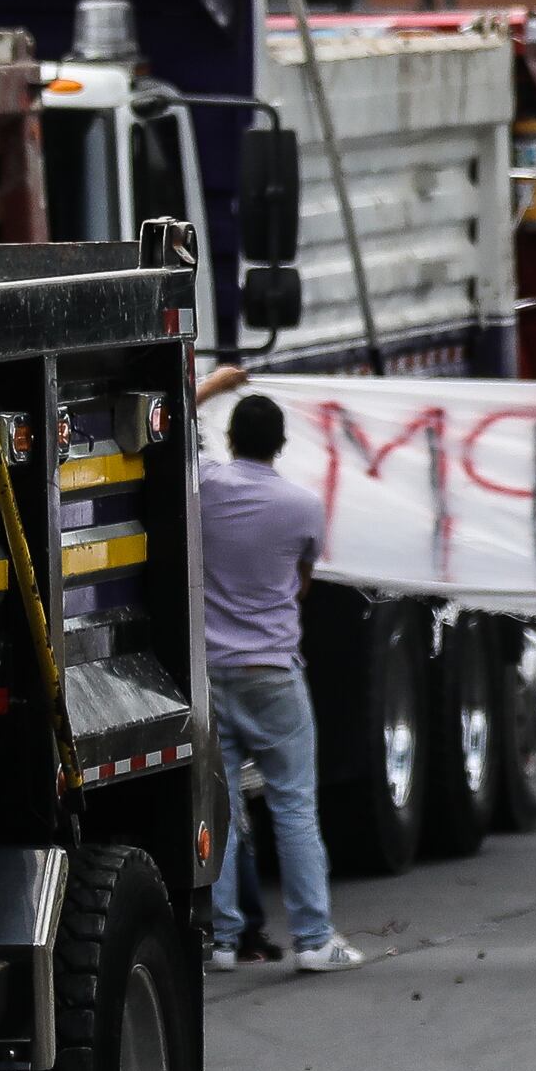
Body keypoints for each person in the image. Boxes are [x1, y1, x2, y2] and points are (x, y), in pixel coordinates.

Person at [198, 390, 361, 973]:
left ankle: (221, 939)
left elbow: (175, 420)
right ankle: (313, 940)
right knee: (293, 805)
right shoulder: (303, 506)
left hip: (212, 672)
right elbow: (303, 582)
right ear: (281, 445)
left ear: (231, 439)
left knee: (220, 809)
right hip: (272, 672)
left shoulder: (204, 487)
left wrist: (215, 382)